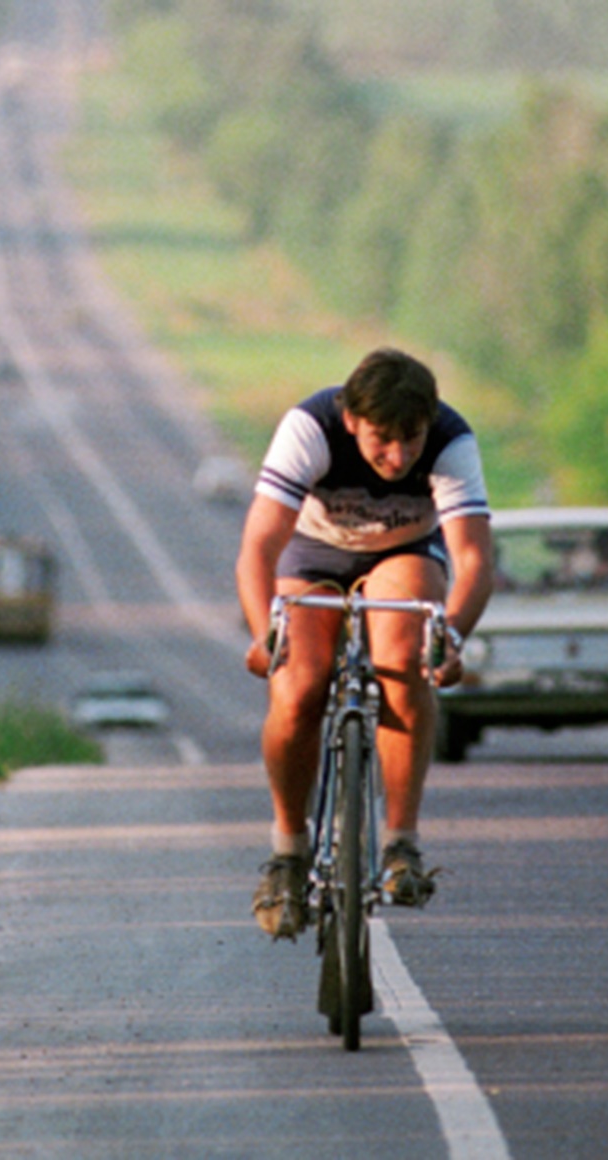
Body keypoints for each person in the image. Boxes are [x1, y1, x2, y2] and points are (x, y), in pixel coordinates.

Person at [235, 348, 494, 940]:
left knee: (404, 662)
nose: (399, 457)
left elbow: (475, 556)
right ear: (351, 420)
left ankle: (401, 844)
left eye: (412, 439)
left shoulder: (452, 441)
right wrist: (263, 634)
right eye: (382, 439)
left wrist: (450, 637)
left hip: (403, 553)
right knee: (299, 687)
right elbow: (258, 547)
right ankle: (288, 851)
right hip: (311, 553)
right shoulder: (311, 428)